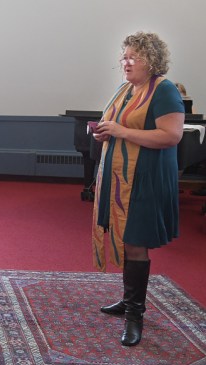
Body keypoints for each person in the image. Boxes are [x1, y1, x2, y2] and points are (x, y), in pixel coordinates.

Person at [92, 32, 184, 347]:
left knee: (135, 242)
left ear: (152, 61)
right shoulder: (126, 89)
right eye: (125, 56)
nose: (126, 62)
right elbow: (116, 125)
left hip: (146, 178)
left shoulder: (165, 90)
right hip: (121, 175)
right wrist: (105, 133)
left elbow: (171, 136)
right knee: (125, 238)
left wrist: (120, 130)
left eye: (134, 57)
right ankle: (128, 301)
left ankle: (135, 316)